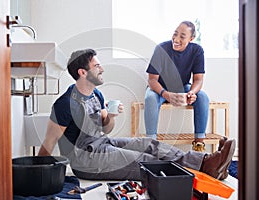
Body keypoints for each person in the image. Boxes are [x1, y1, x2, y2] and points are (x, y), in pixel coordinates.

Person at [38, 48, 235, 181]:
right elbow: (48, 143)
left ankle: (204, 162)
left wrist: (111, 118)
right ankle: (204, 170)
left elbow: (106, 128)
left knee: (148, 144)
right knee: (141, 159)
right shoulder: (64, 104)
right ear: (82, 72)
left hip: (103, 144)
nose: (102, 69)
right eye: (97, 66)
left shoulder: (96, 93)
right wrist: (39, 176)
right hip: (86, 161)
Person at [144, 21, 209, 152]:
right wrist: (166, 94)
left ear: (191, 39)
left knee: (202, 97)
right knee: (150, 98)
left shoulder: (197, 51)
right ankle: (151, 145)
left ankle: (199, 145)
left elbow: (198, 80)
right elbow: (152, 80)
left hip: (183, 87)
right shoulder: (161, 48)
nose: (176, 39)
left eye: (182, 36)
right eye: (175, 34)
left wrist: (192, 93)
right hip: (159, 88)